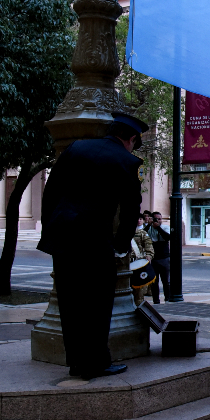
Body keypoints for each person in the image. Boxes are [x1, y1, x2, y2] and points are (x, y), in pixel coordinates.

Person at [37, 112, 145, 379]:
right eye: (133, 143)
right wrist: (121, 245)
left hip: (62, 236)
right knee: (97, 304)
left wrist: (50, 228)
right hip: (94, 239)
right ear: (130, 139)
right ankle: (96, 362)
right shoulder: (127, 161)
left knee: (70, 302)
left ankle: (76, 362)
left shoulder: (76, 147)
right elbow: (131, 211)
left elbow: (51, 191)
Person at [145, 211, 171, 304]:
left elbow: (168, 237)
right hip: (153, 258)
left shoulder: (164, 227)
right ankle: (156, 300)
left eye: (160, 219)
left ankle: (167, 299)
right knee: (154, 282)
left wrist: (158, 227)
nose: (158, 221)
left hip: (164, 257)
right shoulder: (149, 228)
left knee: (166, 281)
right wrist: (149, 224)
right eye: (156, 219)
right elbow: (143, 234)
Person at [129, 214, 155, 307]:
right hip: (125, 265)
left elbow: (148, 244)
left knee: (139, 293)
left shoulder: (141, 233)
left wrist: (149, 255)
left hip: (137, 265)